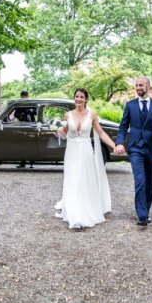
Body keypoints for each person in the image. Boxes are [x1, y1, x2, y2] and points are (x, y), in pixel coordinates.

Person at [54, 88, 115, 229]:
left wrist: (114, 145)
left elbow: (100, 132)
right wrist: (56, 131)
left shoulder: (92, 115)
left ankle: (85, 210)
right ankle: (74, 213)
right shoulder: (67, 115)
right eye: (76, 96)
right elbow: (64, 134)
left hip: (86, 152)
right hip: (72, 152)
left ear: (86, 99)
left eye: (82, 97)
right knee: (73, 179)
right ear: (74, 98)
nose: (79, 99)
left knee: (84, 179)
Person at [114, 76, 152, 227]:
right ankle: (142, 215)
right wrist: (119, 143)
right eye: (136, 85)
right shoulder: (130, 105)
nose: (138, 88)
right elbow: (123, 126)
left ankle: (147, 211)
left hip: (150, 149)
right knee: (140, 181)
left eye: (141, 85)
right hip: (135, 148)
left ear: (149, 87)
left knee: (149, 183)